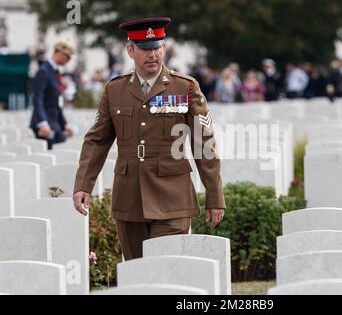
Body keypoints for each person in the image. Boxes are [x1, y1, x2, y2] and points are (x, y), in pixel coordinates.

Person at [72, 17, 226, 261]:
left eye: (156, 48)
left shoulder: (184, 87)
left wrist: (214, 194)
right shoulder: (115, 90)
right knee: (137, 273)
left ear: (164, 48)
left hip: (172, 197)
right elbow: (97, 140)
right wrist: (83, 184)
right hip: (129, 198)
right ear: (131, 50)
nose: (152, 55)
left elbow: (204, 144)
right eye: (145, 49)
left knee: (165, 269)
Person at [29, 40, 75, 150]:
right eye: (67, 56)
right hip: (45, 123)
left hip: (54, 121)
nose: (68, 60)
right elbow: (37, 99)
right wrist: (43, 123)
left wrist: (65, 123)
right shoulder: (44, 71)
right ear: (59, 53)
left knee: (61, 146)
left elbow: (56, 102)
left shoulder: (55, 72)